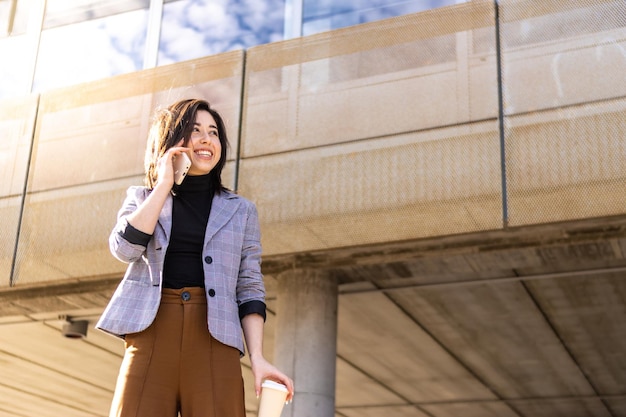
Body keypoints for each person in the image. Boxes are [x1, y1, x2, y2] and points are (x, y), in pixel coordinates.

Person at [96, 98, 294, 417]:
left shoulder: (241, 210)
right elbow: (124, 249)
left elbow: (250, 287)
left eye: (213, 132)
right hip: (151, 334)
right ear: (172, 140)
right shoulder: (142, 198)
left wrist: (257, 357)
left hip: (215, 340)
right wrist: (163, 184)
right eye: (194, 130)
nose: (206, 139)